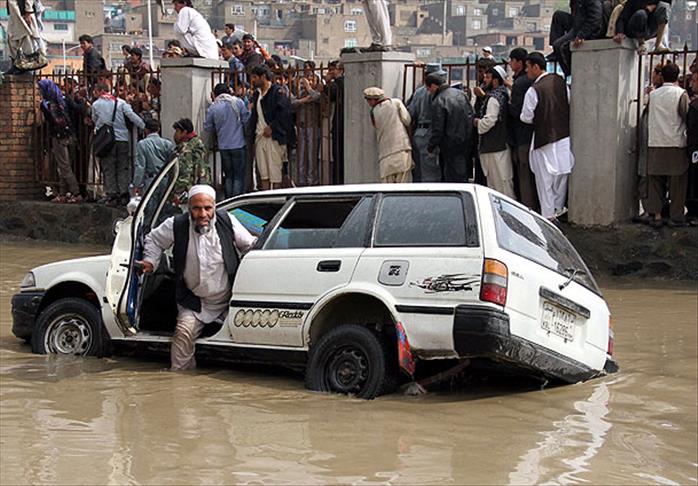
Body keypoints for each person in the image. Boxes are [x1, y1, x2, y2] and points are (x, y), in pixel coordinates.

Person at [138, 184, 256, 371]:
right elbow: (154, 240)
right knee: (183, 334)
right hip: (195, 302)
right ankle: (180, 380)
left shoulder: (227, 221)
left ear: (214, 207)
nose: (202, 214)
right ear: (189, 208)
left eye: (207, 208)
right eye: (197, 208)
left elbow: (250, 246)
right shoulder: (176, 225)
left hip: (228, 301)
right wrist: (150, 262)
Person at [520, 52, 574, 222]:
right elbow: (568, 102)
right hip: (563, 137)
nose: (526, 71)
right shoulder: (560, 82)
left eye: (528, 67)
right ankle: (557, 209)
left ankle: (548, 217)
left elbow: (526, 117)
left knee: (544, 182)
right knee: (561, 177)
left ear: (536, 67)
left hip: (543, 140)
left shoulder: (534, 90)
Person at [645, 62, 690, 227]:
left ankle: (656, 215)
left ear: (662, 76)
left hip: (656, 141)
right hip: (675, 143)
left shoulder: (653, 95)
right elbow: (685, 115)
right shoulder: (681, 94)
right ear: (677, 76)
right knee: (677, 182)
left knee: (655, 180)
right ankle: (676, 216)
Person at [91, 82, 145, 206]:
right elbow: (132, 116)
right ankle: (124, 193)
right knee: (123, 166)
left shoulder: (96, 105)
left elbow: (95, 120)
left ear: (100, 91)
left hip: (105, 140)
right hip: (122, 139)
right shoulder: (120, 103)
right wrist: (144, 126)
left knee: (108, 167)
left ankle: (112, 194)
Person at [247, 65, 295, 190]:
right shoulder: (257, 95)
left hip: (274, 139)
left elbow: (285, 113)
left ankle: (275, 199)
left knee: (275, 175)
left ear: (263, 76)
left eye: (255, 77)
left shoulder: (277, 92)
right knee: (263, 175)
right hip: (260, 137)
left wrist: (272, 127)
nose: (252, 80)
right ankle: (265, 198)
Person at [475, 65, 516, 198]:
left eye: (488, 77)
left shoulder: (494, 98)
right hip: (498, 145)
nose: (485, 80)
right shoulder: (502, 94)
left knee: (500, 185)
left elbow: (489, 121)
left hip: (495, 147)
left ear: (495, 80)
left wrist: (477, 123)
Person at [37, 79, 80, 201]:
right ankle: (62, 193)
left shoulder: (45, 104)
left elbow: (46, 120)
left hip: (58, 136)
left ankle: (76, 192)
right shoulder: (64, 99)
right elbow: (76, 109)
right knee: (64, 165)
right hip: (70, 134)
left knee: (64, 167)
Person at [204, 83, 250, 198]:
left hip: (223, 146)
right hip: (238, 144)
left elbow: (207, 127)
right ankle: (237, 200)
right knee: (238, 176)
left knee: (228, 175)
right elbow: (246, 120)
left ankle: (229, 200)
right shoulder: (238, 102)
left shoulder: (214, 107)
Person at [426, 74, 473, 182]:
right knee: (462, 174)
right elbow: (470, 115)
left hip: (449, 145)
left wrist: (431, 146)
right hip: (465, 142)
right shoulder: (461, 94)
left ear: (433, 86)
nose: (429, 92)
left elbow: (438, 128)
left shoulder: (439, 101)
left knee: (451, 177)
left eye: (428, 89)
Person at [508, 47, 538, 210]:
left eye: (512, 61)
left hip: (522, 135)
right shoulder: (533, 81)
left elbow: (516, 111)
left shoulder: (521, 83)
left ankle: (527, 209)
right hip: (534, 135)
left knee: (524, 175)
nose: (510, 64)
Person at [363, 87, 413, 183]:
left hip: (385, 153)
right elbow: (407, 120)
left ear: (372, 100)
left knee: (387, 185)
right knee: (403, 183)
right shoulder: (396, 103)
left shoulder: (374, 112)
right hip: (402, 148)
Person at [407, 63, 446, 182]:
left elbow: (410, 113)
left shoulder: (418, 92)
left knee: (419, 172)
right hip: (430, 134)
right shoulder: (435, 92)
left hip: (419, 134)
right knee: (431, 174)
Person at [549, 0, 604, 76]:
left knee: (558, 45)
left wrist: (582, 34)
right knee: (558, 15)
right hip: (577, 24)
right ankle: (556, 53)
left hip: (586, 30)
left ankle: (569, 72)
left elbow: (596, 19)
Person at [172, 118, 211, 203]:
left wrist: (177, 192)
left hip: (190, 191)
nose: (175, 134)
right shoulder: (198, 143)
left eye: (177, 131)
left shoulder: (186, 149)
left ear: (184, 132)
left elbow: (185, 173)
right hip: (203, 187)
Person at [133, 119, 175, 195]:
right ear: (158, 129)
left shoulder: (142, 144)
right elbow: (172, 163)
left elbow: (140, 166)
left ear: (146, 130)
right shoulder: (167, 143)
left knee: (150, 201)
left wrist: (137, 184)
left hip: (150, 181)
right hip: (165, 179)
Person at [293, 76, 321, 186]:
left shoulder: (317, 92)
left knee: (311, 155)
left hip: (312, 127)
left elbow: (317, 97)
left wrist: (308, 87)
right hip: (301, 126)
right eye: (307, 80)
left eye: (312, 80)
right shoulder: (300, 93)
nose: (308, 82)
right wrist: (302, 101)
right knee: (301, 155)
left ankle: (312, 180)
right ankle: (301, 180)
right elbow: (291, 103)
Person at [5, 0, 47, 74]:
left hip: (23, 14)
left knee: (26, 39)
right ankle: (16, 65)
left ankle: (26, 66)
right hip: (15, 13)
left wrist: (28, 12)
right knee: (12, 39)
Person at [326, 60, 345, 184]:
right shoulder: (338, 83)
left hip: (340, 124)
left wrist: (327, 83)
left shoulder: (340, 83)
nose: (331, 72)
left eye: (333, 69)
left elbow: (333, 92)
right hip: (338, 123)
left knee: (339, 156)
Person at [687, 71, 698, 225]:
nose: (691, 84)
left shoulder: (694, 106)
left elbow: (692, 131)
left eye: (694, 80)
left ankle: (694, 213)